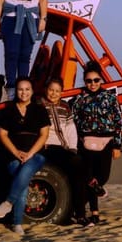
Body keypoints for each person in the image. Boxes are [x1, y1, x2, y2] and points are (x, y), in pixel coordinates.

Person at [0, 77, 49, 235]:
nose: (24, 92)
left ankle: (9, 203)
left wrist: (30, 154)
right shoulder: (7, 111)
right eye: (20, 89)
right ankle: (17, 223)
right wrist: (16, 152)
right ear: (16, 91)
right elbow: (2, 134)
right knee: (21, 177)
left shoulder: (39, 110)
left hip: (35, 154)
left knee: (24, 171)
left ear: (32, 91)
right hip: (12, 154)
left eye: (27, 89)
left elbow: (44, 135)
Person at [69, 62, 122, 226]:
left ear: (101, 80)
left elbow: (118, 121)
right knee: (91, 178)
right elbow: (73, 122)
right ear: (84, 81)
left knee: (102, 177)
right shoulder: (78, 99)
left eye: (96, 80)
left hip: (106, 142)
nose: (92, 84)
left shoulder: (110, 97)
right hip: (86, 144)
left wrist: (117, 145)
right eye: (88, 81)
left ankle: (78, 208)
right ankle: (94, 213)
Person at [39, 78, 89, 226]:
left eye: (57, 91)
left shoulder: (65, 107)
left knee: (79, 170)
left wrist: (73, 148)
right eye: (51, 90)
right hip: (48, 146)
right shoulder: (38, 106)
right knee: (77, 165)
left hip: (65, 147)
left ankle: (79, 213)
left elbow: (70, 129)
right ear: (46, 90)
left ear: (61, 93)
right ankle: (76, 213)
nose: (54, 94)